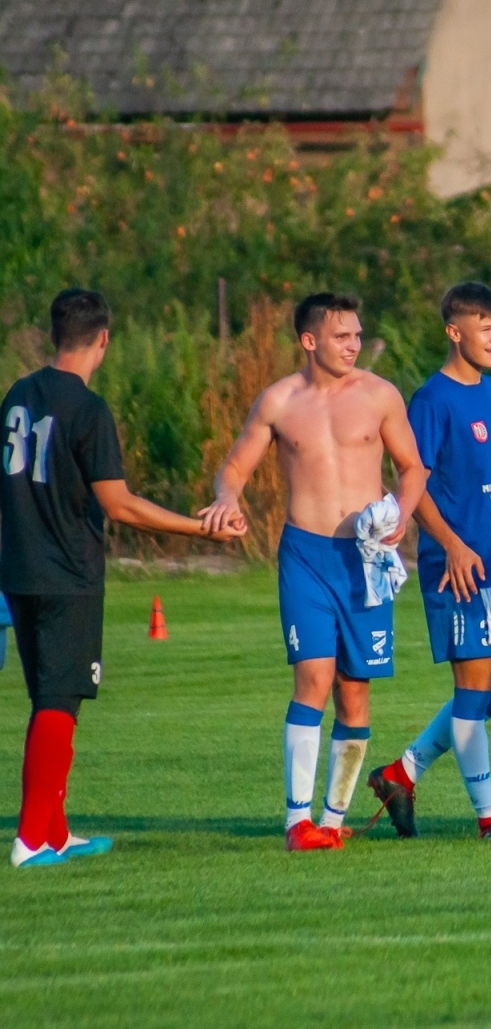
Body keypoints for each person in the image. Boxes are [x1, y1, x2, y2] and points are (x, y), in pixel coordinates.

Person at [2, 288, 245, 868]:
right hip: (66, 573)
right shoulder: (89, 410)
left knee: (50, 700)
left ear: (54, 333)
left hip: (19, 568)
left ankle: (55, 833)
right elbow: (120, 505)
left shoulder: (18, 394)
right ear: (104, 339)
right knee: (59, 702)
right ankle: (32, 838)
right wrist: (200, 529)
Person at [201, 292, 427, 852]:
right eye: (341, 336)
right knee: (314, 679)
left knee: (355, 694)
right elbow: (233, 468)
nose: (353, 345)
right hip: (305, 555)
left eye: (357, 335)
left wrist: (402, 509)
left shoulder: (380, 395)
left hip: (366, 559)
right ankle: (297, 823)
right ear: (309, 341)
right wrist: (227, 498)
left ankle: (332, 818)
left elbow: (413, 467)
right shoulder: (278, 401)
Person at [367, 283, 491, 840]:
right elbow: (413, 480)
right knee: (474, 690)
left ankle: (400, 772)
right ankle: (489, 815)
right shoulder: (431, 400)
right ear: (455, 332)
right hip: (459, 567)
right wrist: (452, 543)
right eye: (486, 326)